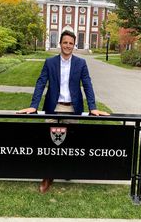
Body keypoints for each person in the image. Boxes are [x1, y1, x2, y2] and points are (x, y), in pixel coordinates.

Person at [17, 30, 109, 193]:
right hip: (54, 107)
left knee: (71, 142)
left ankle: (67, 169)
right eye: (65, 42)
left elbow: (87, 84)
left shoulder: (81, 63)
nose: (68, 46)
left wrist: (93, 108)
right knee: (49, 143)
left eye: (71, 43)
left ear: (74, 45)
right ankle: (47, 175)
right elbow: (41, 82)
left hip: (73, 109)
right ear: (60, 43)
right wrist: (34, 106)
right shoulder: (50, 62)